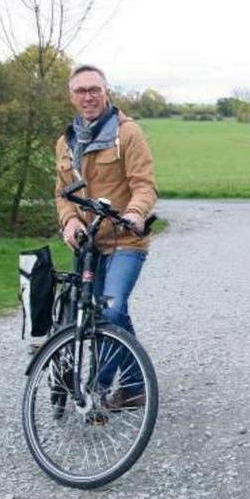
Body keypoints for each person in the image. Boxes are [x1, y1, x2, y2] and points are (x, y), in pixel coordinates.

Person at [55, 64, 158, 408]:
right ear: (71, 96)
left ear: (106, 92)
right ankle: (134, 387)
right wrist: (70, 220)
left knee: (110, 311)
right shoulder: (66, 142)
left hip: (126, 240)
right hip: (89, 245)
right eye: (81, 91)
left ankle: (96, 386)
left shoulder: (127, 133)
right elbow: (62, 193)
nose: (88, 96)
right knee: (105, 315)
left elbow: (144, 185)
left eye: (94, 89)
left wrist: (135, 212)